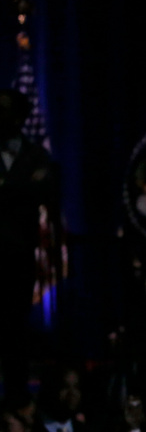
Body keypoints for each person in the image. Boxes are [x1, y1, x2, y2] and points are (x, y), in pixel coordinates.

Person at [0, 89, 58, 401]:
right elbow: (28, 189)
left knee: (14, 332)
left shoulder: (37, 155)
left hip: (18, 259)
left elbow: (45, 189)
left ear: (20, 117)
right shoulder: (32, 164)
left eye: (6, 109)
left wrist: (8, 189)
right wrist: (21, 188)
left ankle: (15, 400)